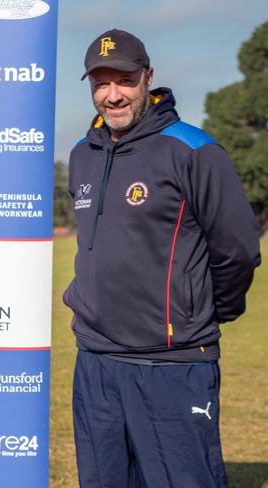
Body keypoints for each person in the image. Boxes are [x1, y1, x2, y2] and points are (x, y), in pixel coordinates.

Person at [63, 29, 261, 487]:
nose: (112, 96)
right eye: (100, 83)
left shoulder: (193, 150)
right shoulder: (82, 154)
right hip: (96, 361)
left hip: (171, 365)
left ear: (148, 78)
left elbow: (237, 250)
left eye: (124, 81)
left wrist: (203, 312)